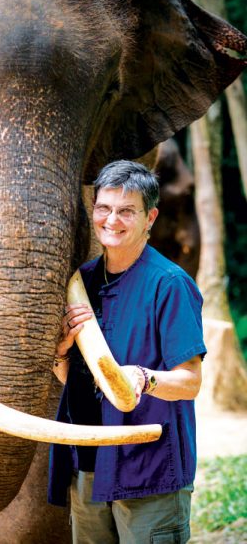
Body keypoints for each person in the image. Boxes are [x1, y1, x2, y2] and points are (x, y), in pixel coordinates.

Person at [48, 160, 206, 544]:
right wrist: (62, 353)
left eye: (126, 211)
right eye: (104, 208)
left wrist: (143, 378)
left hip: (147, 474)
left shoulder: (169, 285)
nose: (111, 220)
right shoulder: (82, 281)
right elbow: (78, 381)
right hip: (87, 468)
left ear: (150, 217)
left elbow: (190, 382)